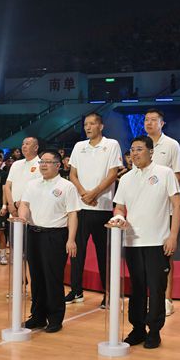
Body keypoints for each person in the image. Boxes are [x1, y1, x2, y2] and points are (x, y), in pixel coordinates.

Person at [111, 136, 180, 349]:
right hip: (132, 241)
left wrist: (172, 236)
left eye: (139, 149)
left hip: (157, 241)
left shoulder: (165, 173)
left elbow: (177, 205)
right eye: (132, 150)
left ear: (151, 152)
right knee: (137, 287)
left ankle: (154, 330)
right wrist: (119, 218)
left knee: (156, 287)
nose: (134, 153)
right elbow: (120, 207)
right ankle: (138, 328)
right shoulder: (126, 178)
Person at [18, 149, 80, 333]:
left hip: (55, 236)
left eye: (47, 162)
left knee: (52, 278)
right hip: (33, 234)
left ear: (58, 165)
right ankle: (37, 316)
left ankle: (55, 318)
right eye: (41, 162)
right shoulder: (33, 184)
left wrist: (71, 239)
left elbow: (73, 214)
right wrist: (22, 218)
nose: (43, 165)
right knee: (36, 278)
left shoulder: (66, 186)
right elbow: (24, 204)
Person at [66, 112, 122, 307]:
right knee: (76, 251)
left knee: (104, 254)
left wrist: (95, 193)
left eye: (92, 124)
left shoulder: (112, 144)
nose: (88, 127)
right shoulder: (78, 147)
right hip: (80, 206)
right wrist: (83, 193)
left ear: (101, 126)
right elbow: (72, 174)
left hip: (103, 207)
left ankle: (109, 294)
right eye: (85, 124)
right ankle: (76, 291)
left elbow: (113, 173)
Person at [144, 108, 180, 316]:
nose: (149, 123)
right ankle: (148, 297)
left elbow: (177, 176)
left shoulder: (171, 145)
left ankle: (167, 298)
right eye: (146, 120)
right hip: (143, 210)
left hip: (165, 209)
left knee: (166, 255)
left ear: (162, 123)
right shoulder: (139, 144)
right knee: (144, 255)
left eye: (153, 120)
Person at [4, 136, 42, 218]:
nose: (24, 146)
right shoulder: (16, 164)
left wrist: (19, 205)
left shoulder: (41, 165)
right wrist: (11, 205)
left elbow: (38, 190)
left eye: (27, 144)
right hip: (13, 210)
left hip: (31, 211)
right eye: (23, 144)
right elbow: (7, 186)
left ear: (36, 147)